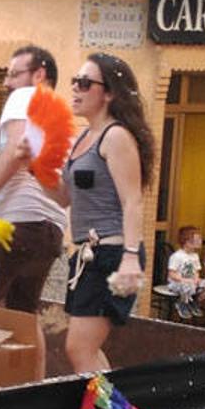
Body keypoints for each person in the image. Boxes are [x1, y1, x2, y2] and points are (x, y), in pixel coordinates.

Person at [57, 53, 152, 372]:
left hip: (112, 254)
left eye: (85, 83)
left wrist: (129, 257)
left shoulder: (116, 136)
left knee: (79, 349)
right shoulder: (82, 139)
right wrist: (33, 168)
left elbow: (132, 201)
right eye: (75, 82)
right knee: (87, 352)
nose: (76, 89)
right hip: (87, 256)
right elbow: (63, 198)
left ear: (109, 92)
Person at [0, 45, 66, 379]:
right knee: (25, 314)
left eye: (13, 74)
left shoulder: (25, 97)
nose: (6, 83)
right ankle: (34, 385)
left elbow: (18, 150)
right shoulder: (60, 114)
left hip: (17, 222)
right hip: (50, 230)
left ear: (39, 74)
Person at [167, 225, 205, 320]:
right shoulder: (177, 256)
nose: (200, 241)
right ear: (186, 242)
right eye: (197, 239)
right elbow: (171, 274)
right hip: (177, 283)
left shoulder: (195, 256)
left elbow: (197, 271)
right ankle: (182, 303)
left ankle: (193, 301)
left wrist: (196, 279)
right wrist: (184, 280)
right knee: (187, 285)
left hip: (191, 282)